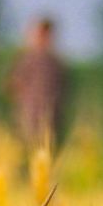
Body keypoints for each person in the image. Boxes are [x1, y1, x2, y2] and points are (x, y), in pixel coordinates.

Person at [6, 17, 67, 148]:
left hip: (51, 120)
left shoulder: (56, 62)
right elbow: (13, 85)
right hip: (30, 117)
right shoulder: (27, 59)